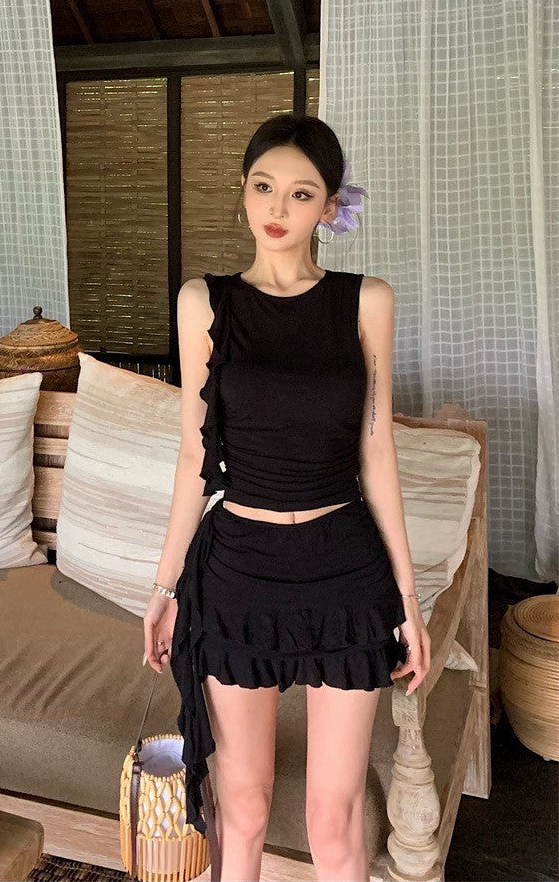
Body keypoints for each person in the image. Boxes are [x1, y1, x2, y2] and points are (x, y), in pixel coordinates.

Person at [142, 113, 430, 882]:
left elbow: (377, 451)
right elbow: (194, 455)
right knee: (244, 808)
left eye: (301, 193)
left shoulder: (366, 301)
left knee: (334, 821)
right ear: (243, 189)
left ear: (329, 206)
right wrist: (165, 588)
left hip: (344, 570)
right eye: (264, 186)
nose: (278, 207)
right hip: (238, 569)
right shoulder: (204, 302)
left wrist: (408, 598)